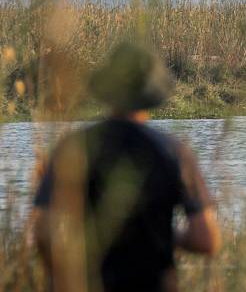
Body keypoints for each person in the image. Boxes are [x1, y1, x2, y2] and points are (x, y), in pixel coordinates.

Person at [32, 43, 220, 292]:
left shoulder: (73, 148)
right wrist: (164, 236)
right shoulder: (174, 152)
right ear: (152, 95)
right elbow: (206, 239)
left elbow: (43, 231)